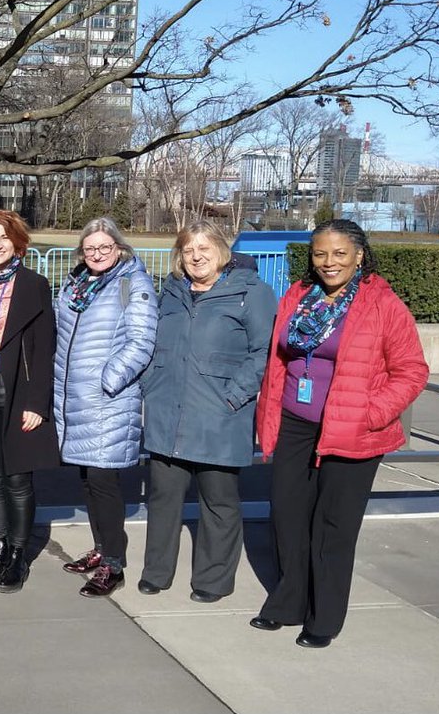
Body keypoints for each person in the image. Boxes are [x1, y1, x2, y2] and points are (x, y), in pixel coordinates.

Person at [251, 220, 427, 648]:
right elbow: (280, 358)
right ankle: (288, 602)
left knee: (333, 526)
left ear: (359, 255)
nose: (328, 262)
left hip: (353, 430)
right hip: (295, 423)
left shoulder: (382, 304)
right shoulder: (298, 296)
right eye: (320, 253)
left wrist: (371, 412)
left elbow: (412, 371)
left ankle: (324, 617)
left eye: (339, 253)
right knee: (287, 515)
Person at [139, 220, 276, 603]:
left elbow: (263, 351)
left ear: (221, 250)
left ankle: (213, 580)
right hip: (168, 412)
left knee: (218, 502)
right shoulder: (172, 292)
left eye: (204, 248)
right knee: (163, 498)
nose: (196, 256)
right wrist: (150, 385)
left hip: (219, 415)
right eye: (188, 250)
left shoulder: (251, 292)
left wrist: (234, 396)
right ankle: (157, 572)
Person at [54, 217, 158, 597]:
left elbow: (142, 341)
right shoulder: (75, 283)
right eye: (90, 248)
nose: (97, 254)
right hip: (74, 399)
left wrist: (107, 380)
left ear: (119, 247)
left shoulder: (133, 284)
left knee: (104, 482)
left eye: (105, 247)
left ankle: (114, 564)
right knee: (88, 479)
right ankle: (101, 549)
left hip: (107, 400)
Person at [0, 210, 58, 594]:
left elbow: (44, 347)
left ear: (17, 242)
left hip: (19, 389)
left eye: (4, 237)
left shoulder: (34, 284)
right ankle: (2, 546)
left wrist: (38, 402)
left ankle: (20, 553)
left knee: (18, 476)